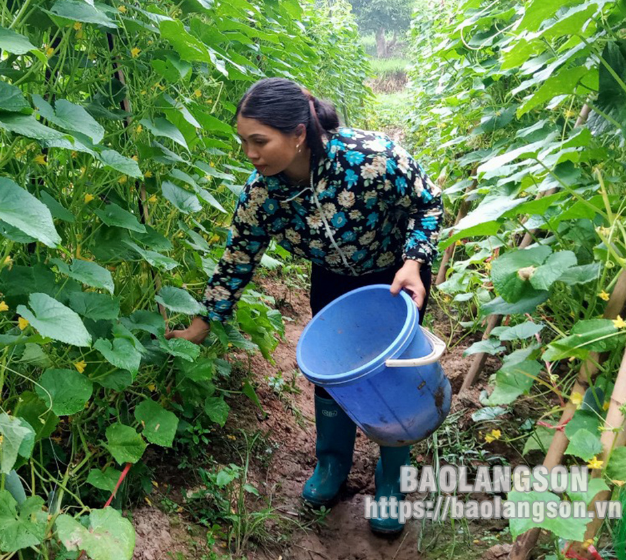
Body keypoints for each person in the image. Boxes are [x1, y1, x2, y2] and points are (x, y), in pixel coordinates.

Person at [165, 77, 443, 534]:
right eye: (244, 142)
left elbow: (427, 202)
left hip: (396, 277)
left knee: (397, 373)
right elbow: (238, 255)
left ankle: (392, 478)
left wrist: (414, 261)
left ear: (298, 134)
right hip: (333, 280)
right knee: (333, 369)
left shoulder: (371, 158)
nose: (250, 154)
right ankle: (331, 464)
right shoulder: (263, 195)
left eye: (259, 141)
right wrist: (204, 321)